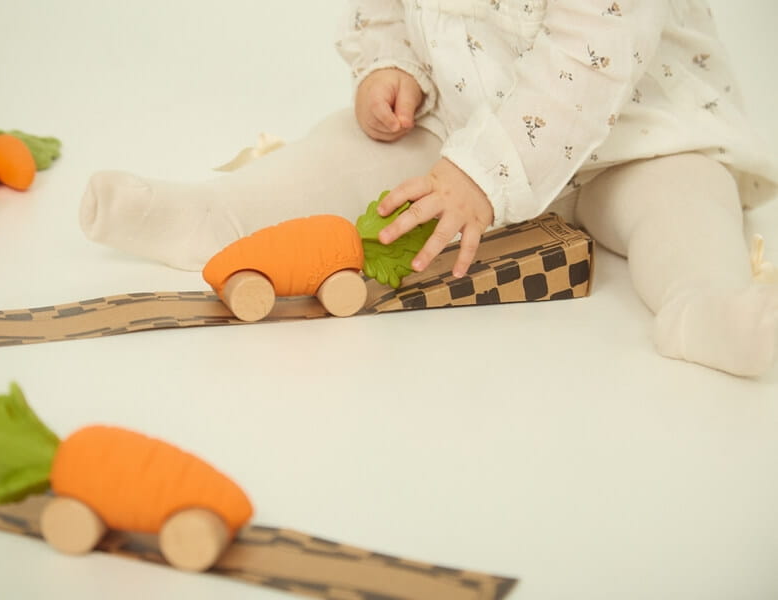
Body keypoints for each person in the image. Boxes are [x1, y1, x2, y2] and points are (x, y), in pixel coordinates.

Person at [79, 0, 778, 377]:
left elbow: (588, 64)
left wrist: (484, 173)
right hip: (459, 128)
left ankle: (702, 305)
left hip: (638, 139)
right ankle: (217, 216)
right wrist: (390, 66)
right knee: (345, 153)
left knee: (683, 202)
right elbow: (384, 8)